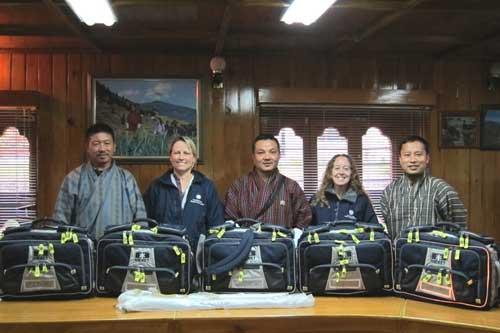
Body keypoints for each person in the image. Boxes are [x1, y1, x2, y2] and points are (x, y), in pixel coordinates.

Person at [53, 123, 146, 239]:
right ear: (87, 147)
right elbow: (60, 222)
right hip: (83, 249)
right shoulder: (73, 178)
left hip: (120, 249)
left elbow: (141, 221)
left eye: (107, 143)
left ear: (114, 147)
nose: (102, 149)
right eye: (96, 144)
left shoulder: (127, 178)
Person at [143, 136, 224, 249]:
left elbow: (216, 226)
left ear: (194, 159)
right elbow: (147, 224)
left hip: (197, 258)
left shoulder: (206, 187)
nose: (181, 157)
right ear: (170, 157)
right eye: (177, 153)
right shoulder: (157, 187)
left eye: (186, 153)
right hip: (163, 256)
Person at [380, 135, 467, 239]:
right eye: (407, 155)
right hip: (398, 254)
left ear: (427, 158)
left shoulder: (442, 189)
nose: (413, 160)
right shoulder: (389, 192)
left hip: (435, 252)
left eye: (418, 154)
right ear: (400, 159)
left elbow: (460, 229)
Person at [224, 134, 312, 229]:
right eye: (261, 152)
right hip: (247, 242)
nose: (267, 157)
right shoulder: (239, 186)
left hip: (281, 242)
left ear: (279, 155)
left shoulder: (291, 186)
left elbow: (304, 219)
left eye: (272, 152)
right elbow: (230, 221)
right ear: (253, 157)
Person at [310, 154, 378, 225]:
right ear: (330, 173)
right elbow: (306, 231)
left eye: (346, 168)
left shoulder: (362, 200)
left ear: (352, 173)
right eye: (337, 168)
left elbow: (375, 230)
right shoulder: (317, 199)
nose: (341, 172)